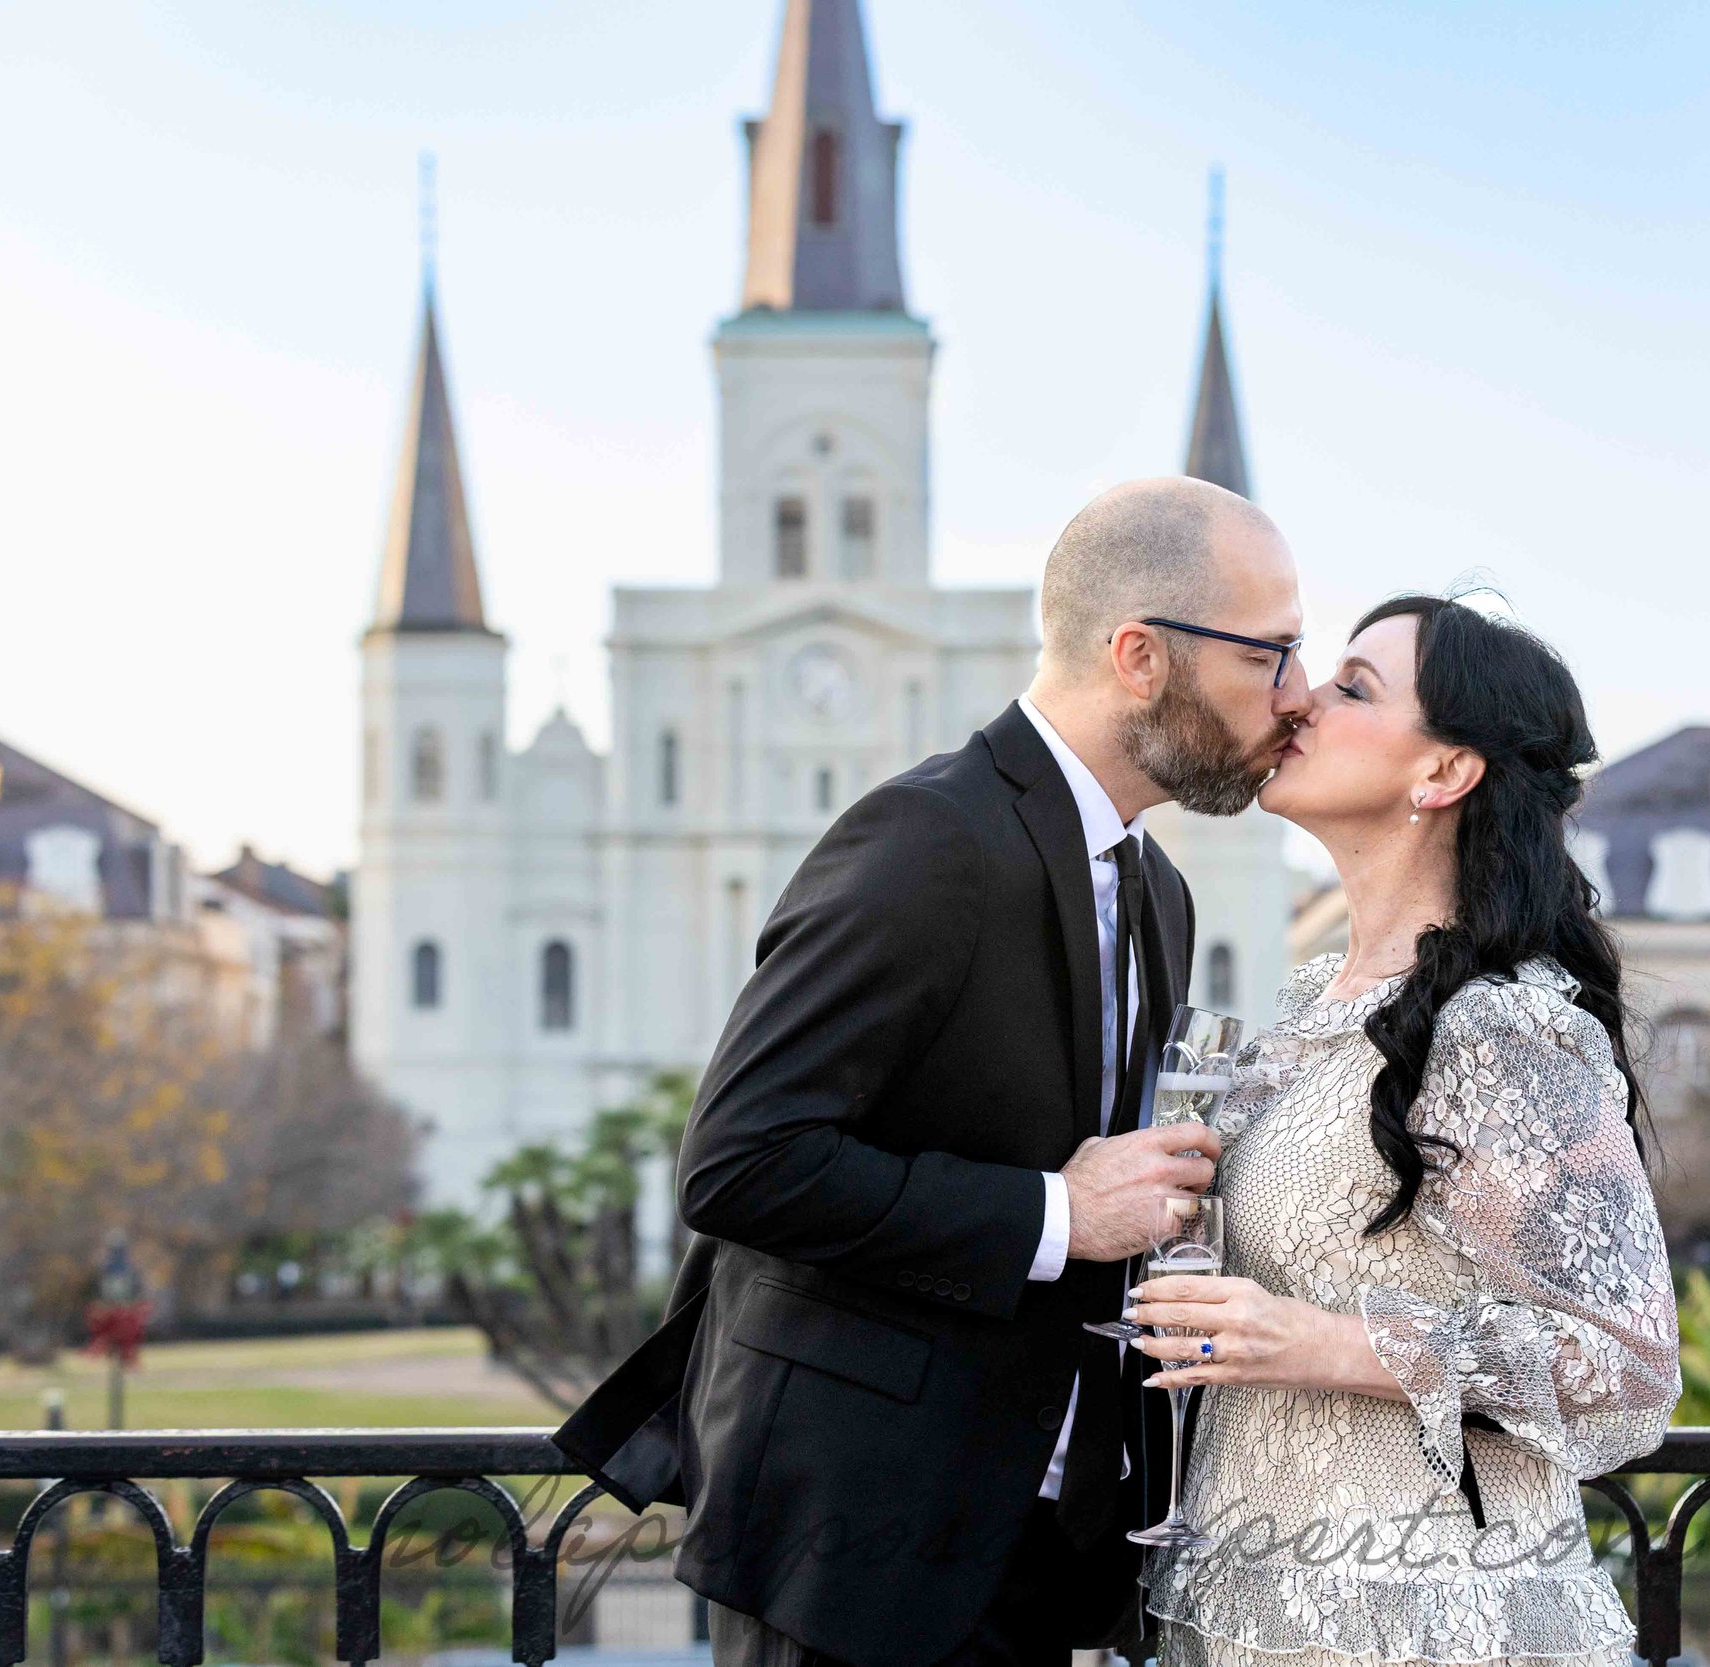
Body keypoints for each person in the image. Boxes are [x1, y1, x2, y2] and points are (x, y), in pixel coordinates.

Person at [551, 476, 1312, 1667]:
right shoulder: (926, 838)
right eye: (1272, 653)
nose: (1298, 696)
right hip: (857, 1564)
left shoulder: (1159, 893)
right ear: (1140, 656)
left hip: (1044, 1550)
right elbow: (742, 1162)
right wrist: (1061, 1210)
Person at [1124, 595, 1682, 1667]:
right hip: (1246, 1603)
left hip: (1431, 1625)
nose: (1299, 700)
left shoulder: (1499, 1028)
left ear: (1442, 773)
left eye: (1352, 688)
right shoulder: (1302, 1010)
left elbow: (1626, 1372)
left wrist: (1317, 1343)